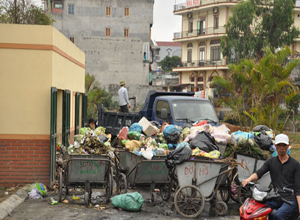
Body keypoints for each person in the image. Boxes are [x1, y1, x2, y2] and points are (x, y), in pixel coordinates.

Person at [242, 133, 300, 220]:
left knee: (278, 215)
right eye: (279, 145)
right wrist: (248, 179)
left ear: (288, 146)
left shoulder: (295, 164)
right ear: (275, 146)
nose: (281, 147)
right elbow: (259, 173)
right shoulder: (271, 162)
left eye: (284, 145)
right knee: (258, 210)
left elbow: (298, 188)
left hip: (291, 200)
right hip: (277, 197)